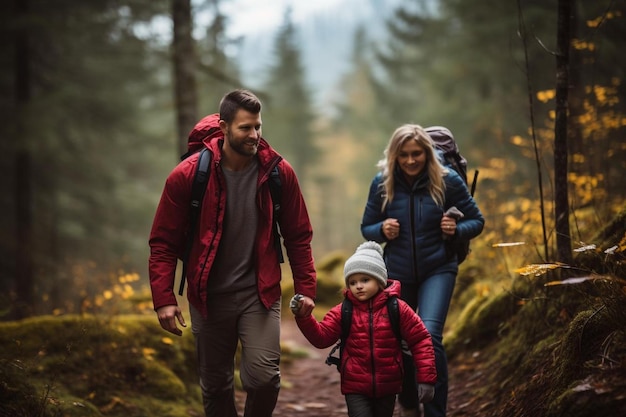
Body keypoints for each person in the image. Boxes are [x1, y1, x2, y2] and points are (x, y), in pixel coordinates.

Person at [148, 89, 317, 417]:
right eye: (245, 128)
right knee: (216, 387)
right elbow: (163, 243)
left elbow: (299, 237)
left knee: (264, 379)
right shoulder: (188, 176)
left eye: (258, 126)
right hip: (207, 297)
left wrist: (306, 289)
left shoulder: (278, 173)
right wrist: (164, 299)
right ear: (224, 127)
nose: (254, 135)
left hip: (260, 294)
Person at [360, 125, 484, 417]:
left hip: (438, 268)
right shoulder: (382, 183)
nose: (411, 160)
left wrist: (455, 230)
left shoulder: (447, 180)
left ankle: (435, 412)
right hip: (397, 272)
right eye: (404, 155)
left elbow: (477, 222)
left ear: (427, 153)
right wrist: (382, 229)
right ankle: (407, 402)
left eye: (417, 154)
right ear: (394, 155)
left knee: (428, 336)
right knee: (400, 341)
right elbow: (367, 228)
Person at [290, 241, 437, 417]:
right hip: (354, 386)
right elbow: (322, 338)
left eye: (365, 280)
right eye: (352, 282)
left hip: (388, 385)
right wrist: (304, 317)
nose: (358, 286)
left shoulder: (398, 308)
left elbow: (420, 340)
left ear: (380, 280)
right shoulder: (344, 310)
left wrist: (426, 379)